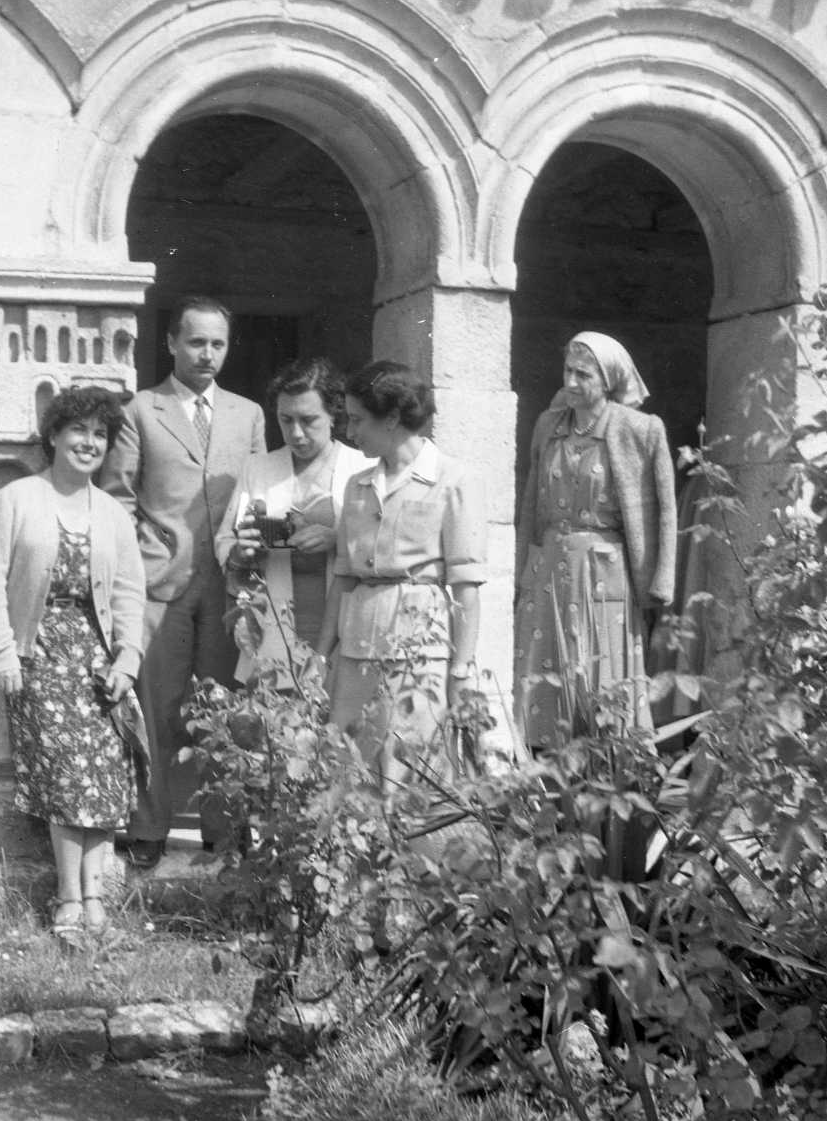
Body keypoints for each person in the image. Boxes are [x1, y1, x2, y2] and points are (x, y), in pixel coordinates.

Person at [0, 386, 147, 934]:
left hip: (97, 661)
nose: (89, 443)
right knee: (69, 778)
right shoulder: (17, 499)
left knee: (105, 774)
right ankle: (70, 900)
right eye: (79, 431)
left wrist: (128, 660)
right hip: (39, 656)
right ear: (53, 435)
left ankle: (95, 900)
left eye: (100, 434)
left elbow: (128, 593)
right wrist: (3, 655)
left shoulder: (113, 513)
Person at [99, 297, 266, 866]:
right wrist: (138, 561)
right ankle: (147, 829)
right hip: (159, 583)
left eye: (218, 343)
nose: (208, 354)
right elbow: (118, 498)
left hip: (227, 586)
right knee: (158, 707)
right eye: (196, 342)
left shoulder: (248, 415)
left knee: (224, 710)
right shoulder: (142, 410)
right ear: (171, 343)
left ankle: (226, 831)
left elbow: (259, 496)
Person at [317, 361, 487, 788]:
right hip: (356, 648)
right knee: (347, 770)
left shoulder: (453, 481)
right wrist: (321, 657)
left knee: (409, 772)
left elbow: (466, 588)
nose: (350, 433)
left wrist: (461, 671)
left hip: (419, 653)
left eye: (358, 420)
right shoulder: (357, 485)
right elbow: (343, 579)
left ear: (392, 419)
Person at [513, 330, 677, 749]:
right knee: (546, 686)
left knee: (603, 679)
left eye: (583, 374)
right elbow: (532, 501)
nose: (570, 381)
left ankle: (609, 785)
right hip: (549, 571)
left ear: (608, 380)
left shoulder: (639, 431)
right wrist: (522, 570)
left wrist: (661, 583)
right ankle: (549, 785)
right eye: (567, 370)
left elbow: (664, 511)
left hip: (606, 574)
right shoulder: (549, 425)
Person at [214, 357, 371, 684]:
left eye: (308, 420)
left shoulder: (361, 469)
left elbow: (378, 546)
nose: (296, 433)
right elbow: (225, 539)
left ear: (333, 415)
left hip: (339, 620)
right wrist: (238, 553)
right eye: (286, 420)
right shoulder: (258, 469)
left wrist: (335, 539)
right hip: (274, 621)